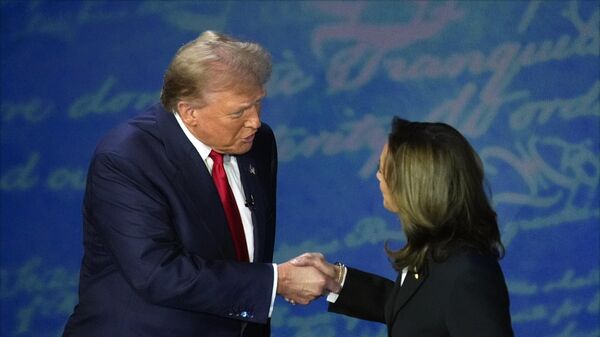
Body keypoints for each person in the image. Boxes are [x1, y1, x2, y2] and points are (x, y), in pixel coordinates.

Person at [62, 30, 338, 337]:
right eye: (238, 112)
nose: (255, 121)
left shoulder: (258, 143)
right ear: (189, 112)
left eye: (258, 103)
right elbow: (157, 273)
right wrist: (277, 281)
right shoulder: (126, 158)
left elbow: (241, 254)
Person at [294, 117, 514, 336]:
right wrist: (337, 280)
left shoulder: (468, 274)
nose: (378, 176)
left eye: (383, 168)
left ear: (414, 185)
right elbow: (418, 310)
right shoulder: (436, 247)